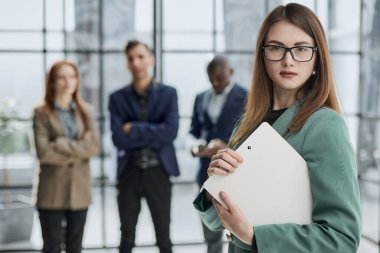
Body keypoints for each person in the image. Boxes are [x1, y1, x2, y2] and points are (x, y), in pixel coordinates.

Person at [193, 3, 361, 253]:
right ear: (262, 55)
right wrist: (214, 190)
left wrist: (254, 236)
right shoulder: (247, 123)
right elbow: (221, 221)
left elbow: (342, 239)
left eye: (301, 49)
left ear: (317, 58)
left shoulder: (326, 126)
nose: (288, 60)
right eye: (276, 48)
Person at [108, 40, 180, 253]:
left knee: (164, 235)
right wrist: (153, 131)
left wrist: (134, 128)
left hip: (159, 171)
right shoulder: (117, 98)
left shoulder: (169, 93)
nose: (136, 62)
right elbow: (118, 139)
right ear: (127, 64)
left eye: (140, 56)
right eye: (131, 58)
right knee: (127, 234)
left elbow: (170, 133)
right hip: (128, 171)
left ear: (151, 60)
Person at [32, 60, 100, 253]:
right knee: (52, 247)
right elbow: (44, 153)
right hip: (51, 191)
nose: (67, 81)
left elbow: (94, 147)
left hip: (80, 190)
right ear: (52, 82)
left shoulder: (86, 111)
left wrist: (60, 143)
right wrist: (79, 150)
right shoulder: (41, 113)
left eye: (72, 76)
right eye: (61, 77)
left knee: (75, 248)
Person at [190, 55, 247, 253]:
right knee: (210, 230)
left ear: (230, 73)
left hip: (235, 171)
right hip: (205, 171)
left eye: (219, 78)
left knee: (238, 228)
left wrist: (228, 145)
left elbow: (252, 137)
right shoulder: (200, 97)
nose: (215, 82)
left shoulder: (247, 97)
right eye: (211, 78)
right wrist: (197, 145)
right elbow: (194, 131)